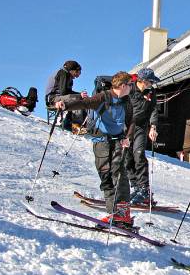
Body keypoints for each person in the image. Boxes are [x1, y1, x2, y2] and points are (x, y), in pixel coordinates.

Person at [55, 72, 135, 227]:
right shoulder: (103, 97)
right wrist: (65, 105)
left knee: (120, 174)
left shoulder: (126, 101)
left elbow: (132, 120)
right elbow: (85, 103)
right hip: (101, 141)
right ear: (124, 86)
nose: (132, 88)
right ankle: (116, 213)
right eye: (130, 85)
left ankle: (122, 214)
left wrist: (128, 137)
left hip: (118, 140)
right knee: (106, 176)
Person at [125, 68, 160, 205]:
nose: (152, 83)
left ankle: (144, 190)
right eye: (150, 81)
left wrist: (153, 126)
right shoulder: (129, 89)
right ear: (143, 81)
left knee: (138, 155)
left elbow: (153, 110)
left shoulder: (151, 92)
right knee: (127, 157)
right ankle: (135, 186)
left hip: (141, 127)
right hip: (126, 127)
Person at [45, 60, 86, 131]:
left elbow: (67, 92)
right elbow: (63, 92)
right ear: (72, 70)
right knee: (77, 99)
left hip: (57, 96)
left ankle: (72, 122)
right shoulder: (63, 73)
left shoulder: (68, 76)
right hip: (52, 98)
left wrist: (79, 94)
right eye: (78, 73)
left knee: (81, 99)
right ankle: (72, 124)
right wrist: (79, 95)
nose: (78, 75)